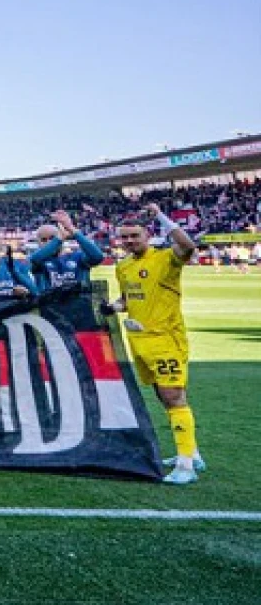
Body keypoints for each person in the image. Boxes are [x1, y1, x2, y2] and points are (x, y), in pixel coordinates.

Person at [113, 204, 202, 484]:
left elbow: (188, 245)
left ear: (148, 235)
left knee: (174, 396)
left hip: (166, 339)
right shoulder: (123, 266)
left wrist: (161, 215)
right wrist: (112, 307)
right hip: (139, 342)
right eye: (124, 237)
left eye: (134, 236)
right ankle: (192, 453)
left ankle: (186, 466)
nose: (129, 241)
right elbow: (128, 300)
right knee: (163, 396)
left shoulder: (166, 258)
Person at [29, 210, 105, 293]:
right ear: (38, 242)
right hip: (51, 305)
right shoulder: (38, 261)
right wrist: (58, 239)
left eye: (52, 238)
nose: (48, 242)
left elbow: (98, 257)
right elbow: (35, 259)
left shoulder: (78, 257)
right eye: (44, 240)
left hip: (79, 305)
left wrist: (72, 229)